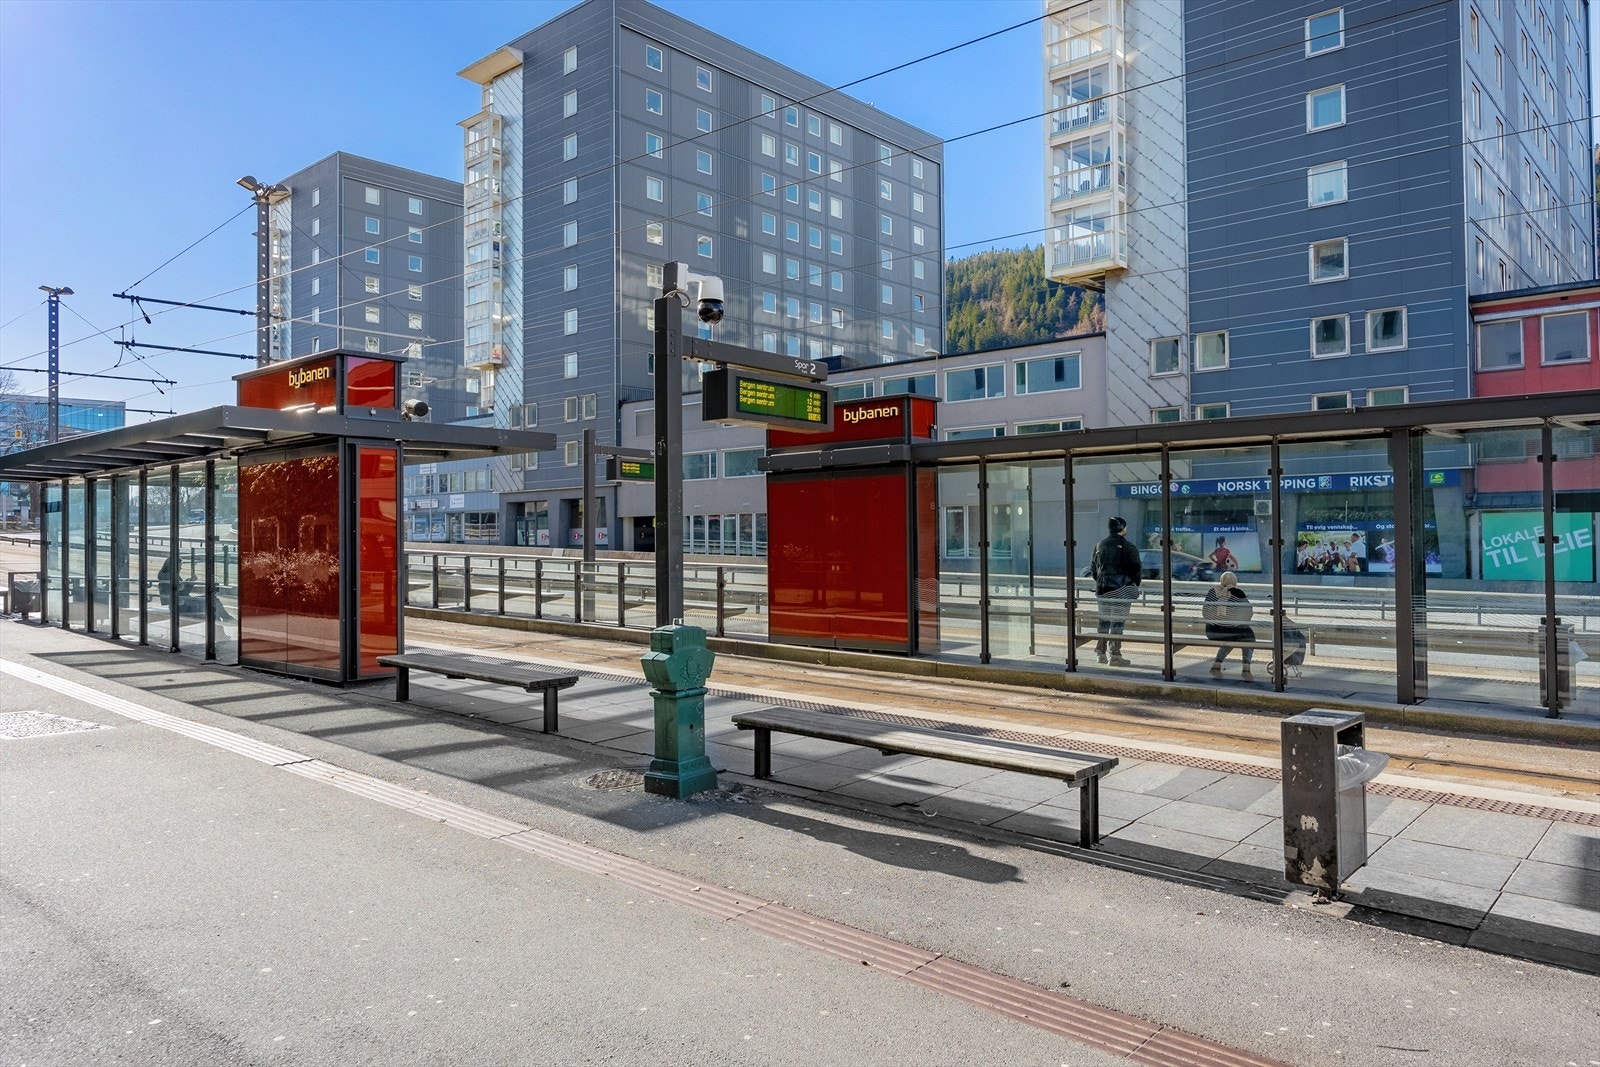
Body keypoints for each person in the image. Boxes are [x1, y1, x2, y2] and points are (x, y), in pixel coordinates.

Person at [1091, 516, 1142, 666]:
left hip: (1103, 589)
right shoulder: (1129, 547)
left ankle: (1100, 653)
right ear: (1122, 528)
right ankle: (1115, 656)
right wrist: (1131, 585)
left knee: (1104, 621)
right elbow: (1137, 571)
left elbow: (1094, 570)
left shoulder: (1099, 545)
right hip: (1122, 590)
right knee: (1117, 623)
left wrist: (1101, 583)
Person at [1204, 571, 1256, 677]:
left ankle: (1216, 667)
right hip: (1230, 631)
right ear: (1235, 581)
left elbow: (1205, 612)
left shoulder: (1212, 592)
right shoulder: (1238, 593)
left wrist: (1216, 621)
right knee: (1248, 637)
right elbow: (1249, 612)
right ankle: (1246, 670)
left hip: (1212, 631)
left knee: (1231, 638)